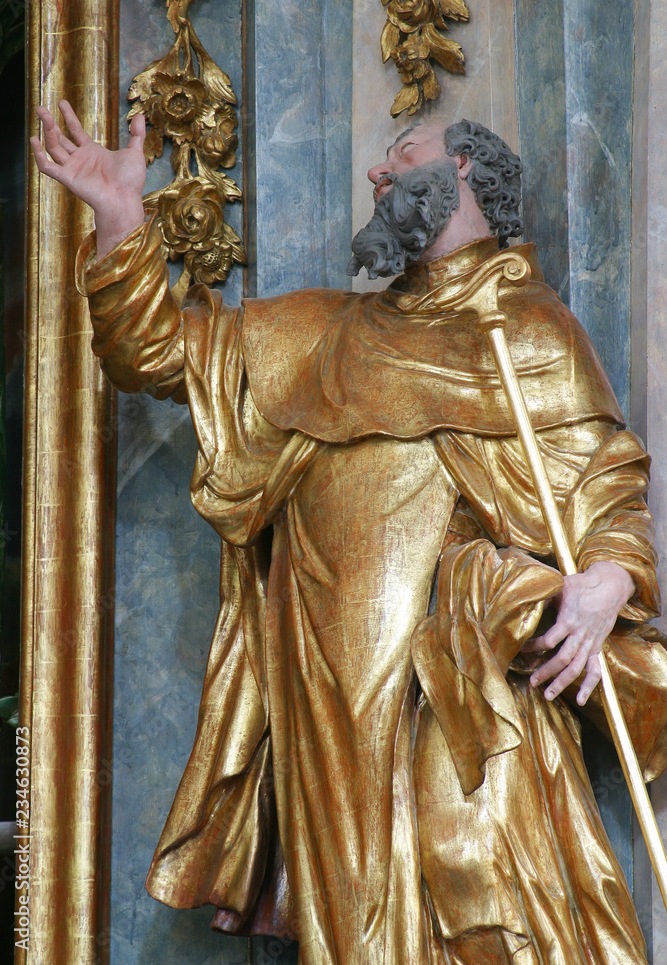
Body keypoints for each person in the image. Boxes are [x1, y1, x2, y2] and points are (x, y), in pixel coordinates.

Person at [32, 103, 667, 965]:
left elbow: (606, 487)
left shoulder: (529, 332)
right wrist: (118, 218)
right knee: (349, 906)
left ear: (461, 169)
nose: (377, 172)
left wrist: (607, 581)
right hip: (322, 681)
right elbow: (152, 353)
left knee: (476, 886)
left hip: (456, 675)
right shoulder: (321, 331)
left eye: (401, 153)